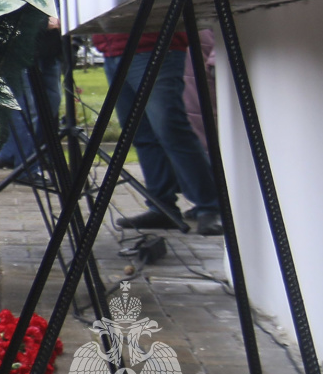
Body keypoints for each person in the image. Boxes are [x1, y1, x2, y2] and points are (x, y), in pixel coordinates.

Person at [96, 29, 226, 236]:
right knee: (141, 134)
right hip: (114, 51)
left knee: (171, 130)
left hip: (156, 46)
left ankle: (211, 207)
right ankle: (162, 207)